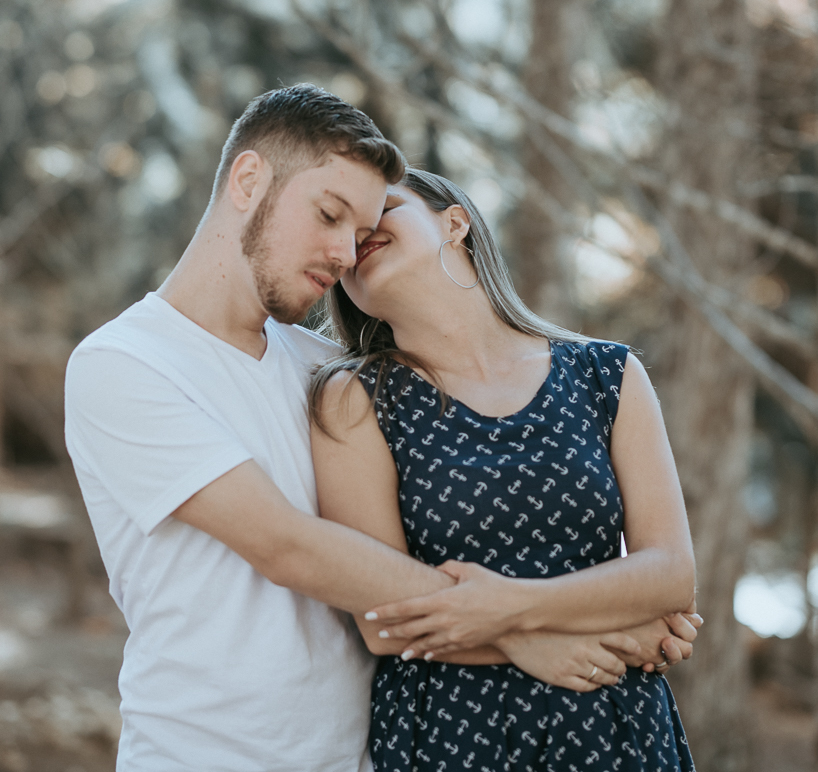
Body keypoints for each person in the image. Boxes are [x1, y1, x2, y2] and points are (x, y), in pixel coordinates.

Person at [65, 84, 696, 772]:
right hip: (207, 754)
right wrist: (528, 632)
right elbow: (289, 547)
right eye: (330, 215)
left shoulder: (325, 369)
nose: (345, 255)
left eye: (360, 233)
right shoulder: (124, 364)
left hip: (356, 754)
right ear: (248, 180)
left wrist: (596, 610)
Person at [310, 168, 701, 771]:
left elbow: (671, 575)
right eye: (345, 233)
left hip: (616, 726)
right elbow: (384, 624)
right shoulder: (352, 399)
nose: (359, 233)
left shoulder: (607, 375)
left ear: (455, 221)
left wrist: (510, 605)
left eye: (381, 210)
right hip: (454, 731)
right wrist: (539, 639)